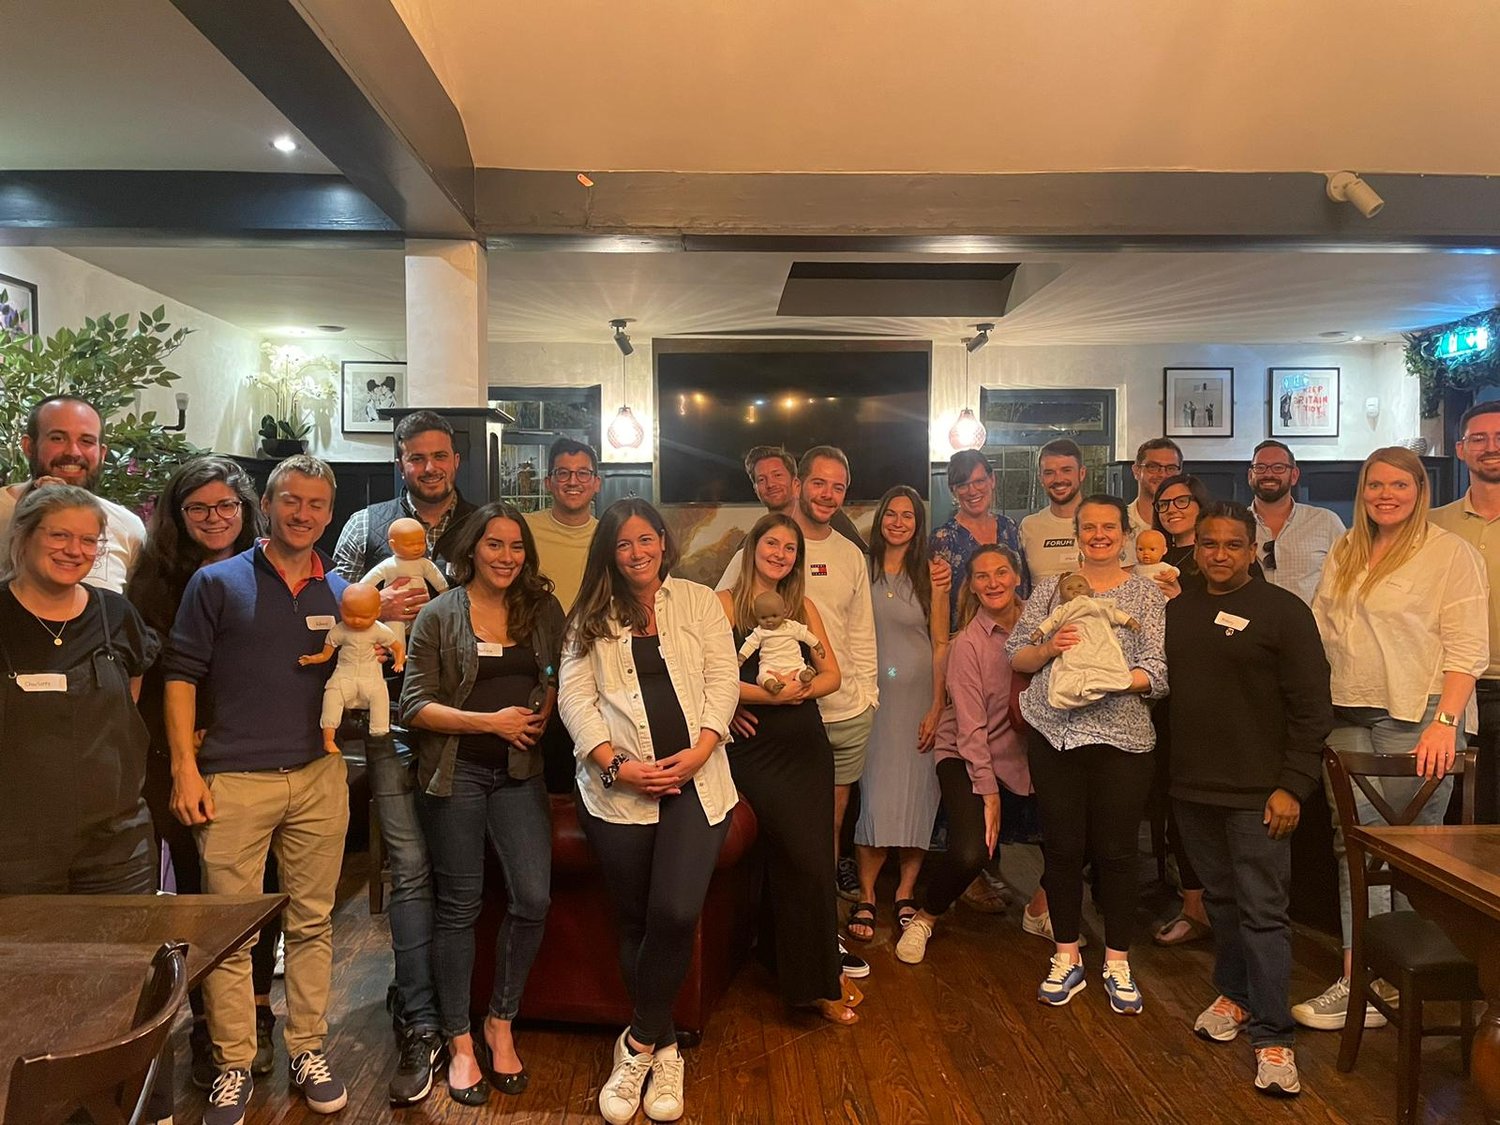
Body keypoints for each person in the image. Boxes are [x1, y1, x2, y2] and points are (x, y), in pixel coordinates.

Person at [166, 455, 352, 1122]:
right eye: (290, 500)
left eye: (316, 503)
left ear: (329, 514)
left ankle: (307, 1048)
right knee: (230, 932)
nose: (303, 513)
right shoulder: (216, 581)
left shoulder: (342, 590)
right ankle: (233, 1064)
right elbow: (181, 675)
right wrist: (185, 769)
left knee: (312, 922)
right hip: (233, 780)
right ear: (266, 506)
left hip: (319, 776)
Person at [558, 499, 741, 1125]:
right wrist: (616, 765)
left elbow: (723, 679)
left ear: (664, 542)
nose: (637, 552)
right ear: (609, 553)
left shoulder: (699, 602)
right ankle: (664, 1048)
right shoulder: (589, 616)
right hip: (618, 790)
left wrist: (701, 751)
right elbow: (575, 699)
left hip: (697, 780)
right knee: (635, 919)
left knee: (674, 911)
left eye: (646, 539)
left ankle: (635, 1044)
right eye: (623, 544)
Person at [1295, 446, 1488, 1032]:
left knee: (1409, 847)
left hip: (1419, 713)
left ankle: (1405, 977)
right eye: (1375, 484)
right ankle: (1359, 977)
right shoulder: (1347, 549)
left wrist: (1445, 723)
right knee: (1353, 844)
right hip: (1346, 709)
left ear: (1420, 491)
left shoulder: (1448, 552)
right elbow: (1322, 628)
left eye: (1399, 485)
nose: (1386, 495)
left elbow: (1468, 645)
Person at [0, 484, 164, 1118]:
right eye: (59, 536)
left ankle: (113, 1108)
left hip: (115, 838)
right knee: (26, 983)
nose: (75, 550)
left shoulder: (115, 615)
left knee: (119, 980)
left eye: (88, 540)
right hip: (16, 845)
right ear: (23, 538)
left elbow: (129, 699)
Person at [128, 455, 284, 1090]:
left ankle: (258, 1012)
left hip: (255, 753)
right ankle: (208, 1024)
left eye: (226, 505)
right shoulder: (153, 585)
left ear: (246, 509)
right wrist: (180, 758)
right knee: (199, 894)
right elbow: (152, 681)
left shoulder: (272, 568)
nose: (215, 517)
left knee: (263, 888)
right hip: (180, 761)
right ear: (177, 514)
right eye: (198, 507)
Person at [1167, 502, 1333, 1098]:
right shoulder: (1177, 611)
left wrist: (1293, 785)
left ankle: (1273, 1035)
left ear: (1253, 549)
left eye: (1232, 545)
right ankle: (1235, 995)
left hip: (1261, 794)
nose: (1219, 554)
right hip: (1191, 788)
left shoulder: (1284, 612)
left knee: (1263, 912)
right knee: (1221, 900)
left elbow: (1312, 708)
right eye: (1209, 544)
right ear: (1196, 549)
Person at [401, 502, 563, 1106]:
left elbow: (557, 669)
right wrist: (490, 723)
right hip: (456, 774)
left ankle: (501, 1020)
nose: (506, 557)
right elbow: (414, 706)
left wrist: (544, 706)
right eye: (495, 544)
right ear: (472, 549)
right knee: (459, 906)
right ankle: (460, 1040)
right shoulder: (439, 614)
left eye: (517, 547)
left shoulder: (541, 609)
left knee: (533, 898)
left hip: (521, 774)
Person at [331, 410, 464, 1102]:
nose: (429, 467)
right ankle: (419, 1015)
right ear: (400, 461)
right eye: (417, 457)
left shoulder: (480, 525)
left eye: (439, 456)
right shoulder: (364, 526)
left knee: (462, 868)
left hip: (465, 721)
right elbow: (331, 602)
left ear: (456, 461)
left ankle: (459, 1004)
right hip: (388, 718)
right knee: (408, 867)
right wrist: (376, 607)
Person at [1009, 494, 1167, 1015]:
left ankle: (1117, 962)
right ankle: (1066, 954)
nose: (1099, 535)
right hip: (1055, 734)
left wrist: (1111, 681)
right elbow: (1018, 655)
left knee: (1118, 853)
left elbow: (1157, 671)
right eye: (1089, 527)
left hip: (1122, 738)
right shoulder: (1052, 589)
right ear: (1077, 534)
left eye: (1109, 527)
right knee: (1061, 849)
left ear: (1125, 534)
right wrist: (1049, 649)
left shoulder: (1145, 594)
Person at [717, 448, 878, 931]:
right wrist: (733, 703)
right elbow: (716, 655)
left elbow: (860, 635)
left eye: (838, 487)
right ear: (799, 484)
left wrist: (868, 696)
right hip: (763, 732)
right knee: (770, 840)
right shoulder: (751, 559)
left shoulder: (847, 558)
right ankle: (767, 936)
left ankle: (818, 930)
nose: (827, 494)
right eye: (819, 483)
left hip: (838, 714)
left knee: (823, 832)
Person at [716, 512, 860, 1025]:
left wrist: (800, 689)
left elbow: (833, 675)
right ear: (753, 547)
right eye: (772, 544)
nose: (780, 554)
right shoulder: (723, 605)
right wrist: (750, 699)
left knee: (814, 859)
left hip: (805, 745)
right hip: (753, 749)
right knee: (796, 858)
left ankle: (809, 974)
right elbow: (709, 678)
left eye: (790, 548)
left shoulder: (804, 608)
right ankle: (813, 978)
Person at [895, 545, 1032, 964]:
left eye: (1001, 572)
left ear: (1016, 577)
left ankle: (1042, 909)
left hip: (1023, 754)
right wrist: (988, 792)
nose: (993, 583)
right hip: (965, 752)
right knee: (974, 851)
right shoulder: (968, 645)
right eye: (982, 576)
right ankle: (925, 918)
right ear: (971, 586)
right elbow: (971, 728)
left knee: (1080, 831)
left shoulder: (1041, 625)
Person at [929, 448, 1030, 913]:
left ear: (992, 479)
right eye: (962, 484)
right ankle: (970, 870)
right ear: (953, 490)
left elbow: (1021, 590)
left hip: (1014, 642)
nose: (972, 490)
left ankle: (995, 869)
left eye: (978, 480)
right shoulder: (944, 538)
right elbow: (940, 610)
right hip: (968, 648)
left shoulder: (1010, 528)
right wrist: (938, 696)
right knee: (974, 743)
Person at [848, 487, 949, 936]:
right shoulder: (860, 566)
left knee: (918, 794)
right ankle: (867, 895)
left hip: (918, 700)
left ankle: (906, 891)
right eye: (891, 513)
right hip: (870, 699)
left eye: (908, 515)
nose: (899, 522)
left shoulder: (932, 573)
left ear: (918, 524)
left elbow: (941, 642)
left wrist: (937, 704)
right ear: (880, 518)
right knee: (875, 795)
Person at [1148, 471, 1223, 945]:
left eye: (1182, 501)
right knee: (1173, 803)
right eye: (1164, 504)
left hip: (1207, 698)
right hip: (1159, 697)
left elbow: (1233, 621)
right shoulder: (1152, 559)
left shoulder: (1217, 556)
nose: (1172, 510)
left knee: (1207, 803)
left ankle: (1223, 908)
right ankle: (1192, 906)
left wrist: (1182, 603)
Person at [1430, 400, 1500, 824]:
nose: (1491, 446)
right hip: (1451, 692)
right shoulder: (1431, 525)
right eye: (1479, 438)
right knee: (1454, 822)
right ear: (1460, 449)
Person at [0, 394, 145, 592]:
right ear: (29, 447)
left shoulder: (128, 528)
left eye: (86, 441)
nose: (73, 452)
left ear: (102, 454)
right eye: (57, 438)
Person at [1248, 441, 1345, 605]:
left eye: (1278, 468)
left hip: (1312, 620)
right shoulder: (1235, 525)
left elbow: (1350, 576)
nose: (1268, 474)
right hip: (1249, 619)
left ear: (1294, 475)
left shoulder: (1326, 521)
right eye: (1260, 467)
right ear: (1250, 476)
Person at [524, 437, 602, 614]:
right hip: (532, 629)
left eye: (583, 473)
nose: (573, 481)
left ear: (597, 483)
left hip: (594, 630)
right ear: (548, 483)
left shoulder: (608, 535)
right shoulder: (524, 529)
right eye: (563, 473)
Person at [742, 444, 867, 553]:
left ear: (795, 482)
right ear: (755, 488)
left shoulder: (827, 516)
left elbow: (863, 556)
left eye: (777, 475)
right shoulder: (753, 540)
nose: (770, 484)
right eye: (761, 479)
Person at [1018, 439, 1087, 580]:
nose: (1058, 479)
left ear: (1081, 473)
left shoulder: (1104, 522)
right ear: (1040, 478)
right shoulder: (1029, 527)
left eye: (1066, 470)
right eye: (1049, 473)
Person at [1128, 438, 1184, 547]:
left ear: (1179, 472)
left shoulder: (1191, 524)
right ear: (1136, 471)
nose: (1162, 474)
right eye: (1153, 467)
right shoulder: (1120, 522)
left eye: (1171, 468)